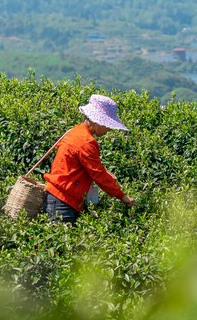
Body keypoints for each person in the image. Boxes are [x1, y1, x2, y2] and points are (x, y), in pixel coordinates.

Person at [43, 94, 136, 223]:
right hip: (63, 201)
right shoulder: (86, 141)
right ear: (96, 121)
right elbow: (98, 174)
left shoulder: (75, 132)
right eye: (107, 124)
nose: (108, 129)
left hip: (59, 197)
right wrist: (123, 197)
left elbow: (83, 166)